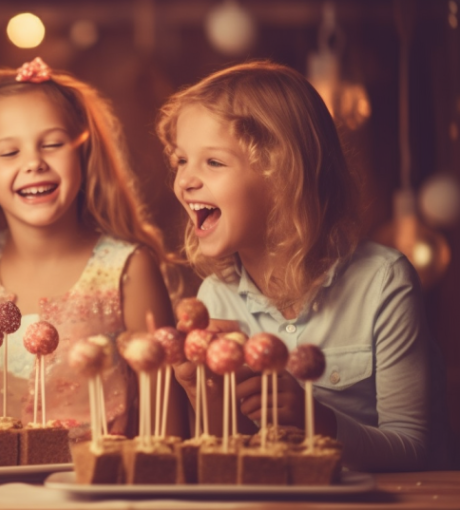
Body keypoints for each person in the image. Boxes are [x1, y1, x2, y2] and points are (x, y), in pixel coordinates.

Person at [158, 60, 448, 471]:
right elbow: (233, 460)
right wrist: (200, 390)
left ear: (283, 175)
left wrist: (316, 421)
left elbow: (413, 450)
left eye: (214, 163)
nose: (185, 180)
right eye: (180, 161)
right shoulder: (215, 297)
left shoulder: (383, 281)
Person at [0, 58, 184, 438]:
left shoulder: (130, 268)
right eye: (10, 153)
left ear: (83, 156)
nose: (33, 163)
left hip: (100, 490)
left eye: (53, 144)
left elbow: (166, 429)